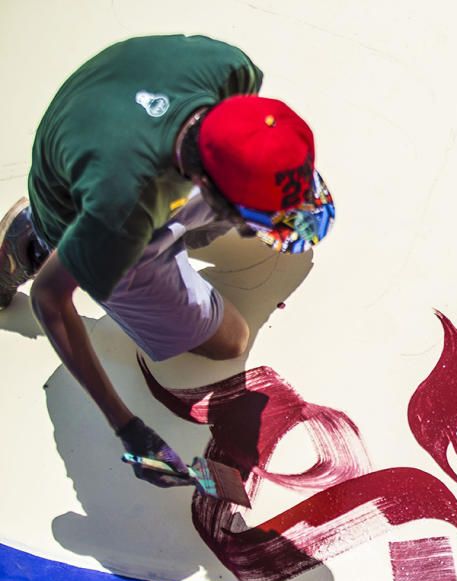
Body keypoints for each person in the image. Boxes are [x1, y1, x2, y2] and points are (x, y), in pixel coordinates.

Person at [0, 35, 334, 487]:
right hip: (85, 213)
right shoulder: (123, 214)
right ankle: (35, 240)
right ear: (209, 189)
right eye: (253, 216)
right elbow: (49, 299)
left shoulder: (231, 69)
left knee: (283, 221)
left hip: (109, 142)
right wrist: (128, 428)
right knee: (228, 340)